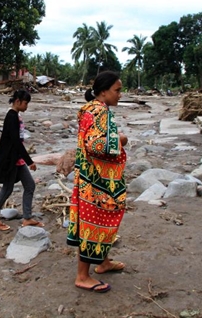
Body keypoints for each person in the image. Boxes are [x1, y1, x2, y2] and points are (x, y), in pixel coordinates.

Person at [67, 71, 128, 293]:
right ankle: (82, 276)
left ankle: (103, 262)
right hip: (96, 182)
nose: (120, 95)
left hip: (86, 177)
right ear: (103, 91)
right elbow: (95, 145)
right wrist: (120, 140)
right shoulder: (100, 112)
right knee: (95, 222)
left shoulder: (90, 109)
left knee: (93, 221)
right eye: (117, 90)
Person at [0, 89, 44, 231]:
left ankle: (27, 218)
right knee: (7, 189)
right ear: (18, 101)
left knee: (30, 185)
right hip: (10, 159)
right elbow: (15, 142)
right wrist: (29, 161)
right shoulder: (11, 116)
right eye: (25, 103)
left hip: (16, 159)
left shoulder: (15, 115)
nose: (26, 106)